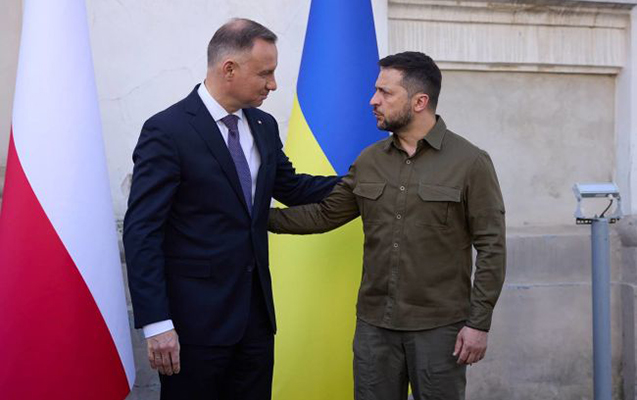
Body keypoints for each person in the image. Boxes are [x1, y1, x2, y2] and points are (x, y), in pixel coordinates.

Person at [268, 51, 506, 400]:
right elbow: (324, 215)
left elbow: (491, 247)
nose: (373, 100)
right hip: (375, 327)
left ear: (419, 101)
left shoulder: (471, 162)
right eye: (376, 90)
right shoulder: (369, 161)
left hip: (439, 328)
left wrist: (478, 323)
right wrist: (254, 218)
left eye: (385, 92)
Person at [123, 18, 338, 400]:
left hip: (255, 323)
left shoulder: (264, 125)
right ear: (229, 69)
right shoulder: (167, 131)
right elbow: (142, 231)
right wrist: (157, 323)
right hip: (193, 327)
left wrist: (364, 181)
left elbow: (293, 188)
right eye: (265, 73)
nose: (273, 84)